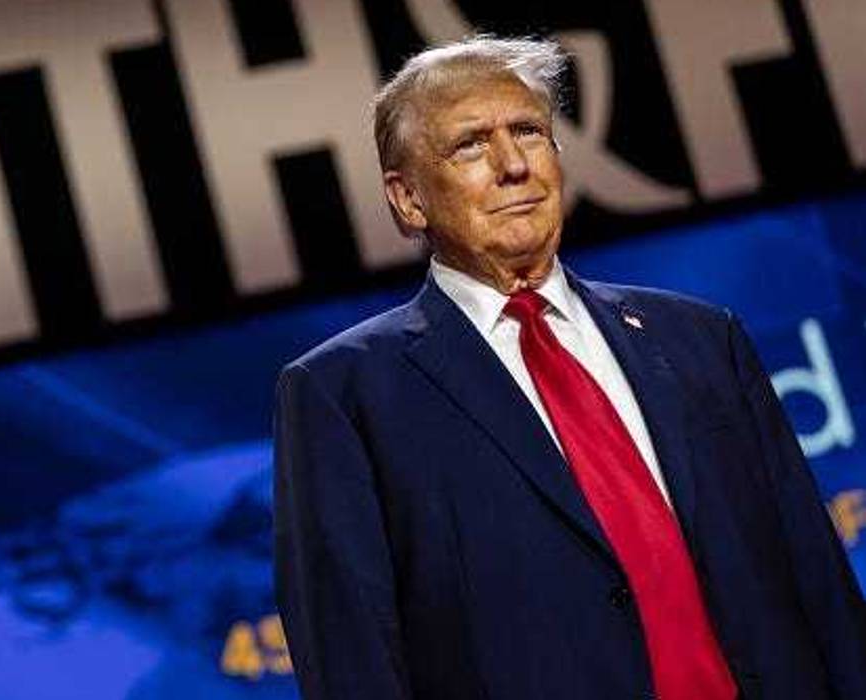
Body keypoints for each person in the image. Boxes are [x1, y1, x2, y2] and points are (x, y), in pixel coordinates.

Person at [272, 36, 866, 700]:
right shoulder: (344, 395)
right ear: (408, 199)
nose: (511, 164)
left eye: (527, 132)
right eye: (469, 145)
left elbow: (817, 578)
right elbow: (351, 659)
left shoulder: (700, 337)